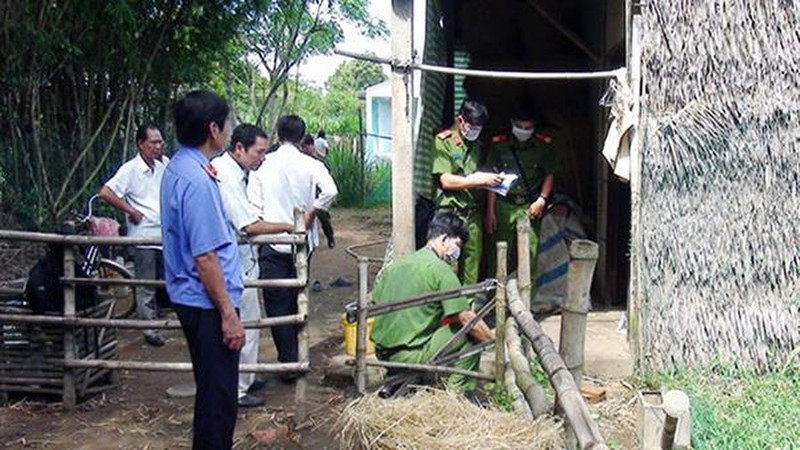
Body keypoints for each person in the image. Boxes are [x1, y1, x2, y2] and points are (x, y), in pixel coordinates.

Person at [160, 90, 245, 449]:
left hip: (193, 298)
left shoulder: (180, 167)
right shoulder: (197, 181)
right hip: (208, 303)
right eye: (226, 125)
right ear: (214, 129)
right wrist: (228, 312)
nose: (228, 131)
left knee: (212, 391)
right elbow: (205, 256)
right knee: (218, 400)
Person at [211, 124, 295, 408]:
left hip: (242, 259)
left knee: (252, 321)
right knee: (245, 322)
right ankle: (238, 388)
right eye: (258, 152)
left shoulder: (236, 172)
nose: (262, 157)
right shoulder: (226, 176)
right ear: (239, 148)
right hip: (234, 261)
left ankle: (244, 376)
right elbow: (248, 226)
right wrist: (288, 226)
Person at [247, 115, 338, 368]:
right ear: (301, 138)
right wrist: (311, 212)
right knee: (298, 295)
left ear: (277, 135)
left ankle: (287, 357)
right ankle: (297, 355)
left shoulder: (262, 166)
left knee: (276, 302)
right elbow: (331, 191)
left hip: (270, 240)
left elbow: (254, 208)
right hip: (302, 242)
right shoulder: (310, 164)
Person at [371, 211, 494, 393]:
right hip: (409, 356)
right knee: (470, 335)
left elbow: (375, 301)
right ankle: (457, 396)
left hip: (382, 353)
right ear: (444, 239)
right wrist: (492, 341)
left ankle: (403, 380)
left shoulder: (396, 266)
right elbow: (468, 320)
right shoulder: (441, 270)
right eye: (457, 244)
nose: (457, 252)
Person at [98, 123, 168, 347]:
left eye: (160, 142)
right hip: (144, 234)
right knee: (145, 282)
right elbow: (106, 192)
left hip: (165, 234)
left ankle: (159, 319)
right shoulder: (130, 169)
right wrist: (130, 210)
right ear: (140, 144)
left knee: (164, 280)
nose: (158, 146)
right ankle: (149, 328)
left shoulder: (164, 165)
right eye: (153, 142)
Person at [485, 104, 561, 293]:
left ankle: (527, 301)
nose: (524, 131)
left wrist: (542, 200)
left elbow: (550, 173)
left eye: (528, 128)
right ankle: (497, 299)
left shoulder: (543, 145)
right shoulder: (499, 144)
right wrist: (490, 211)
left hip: (529, 205)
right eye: (520, 126)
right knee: (499, 253)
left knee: (529, 254)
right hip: (504, 205)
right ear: (512, 123)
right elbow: (491, 180)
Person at [431, 99, 502, 286]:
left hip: (473, 214)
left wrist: (490, 186)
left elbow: (482, 177)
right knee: (445, 263)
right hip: (449, 214)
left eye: (479, 127)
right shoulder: (443, 141)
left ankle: (467, 311)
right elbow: (446, 180)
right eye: (472, 126)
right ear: (461, 121)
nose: (475, 131)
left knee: (472, 266)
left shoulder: (477, 147)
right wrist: (477, 180)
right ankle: (446, 311)